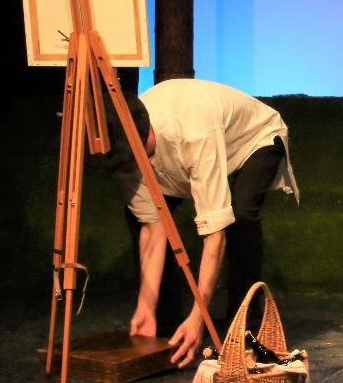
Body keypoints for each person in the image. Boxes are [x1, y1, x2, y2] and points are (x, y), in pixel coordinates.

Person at [93, 78, 297, 367]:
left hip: (254, 139)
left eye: (127, 160)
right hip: (180, 162)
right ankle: (163, 325)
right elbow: (153, 226)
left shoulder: (194, 130)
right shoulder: (124, 153)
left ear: (142, 137)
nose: (125, 168)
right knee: (138, 217)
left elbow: (215, 234)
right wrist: (145, 306)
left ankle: (245, 327)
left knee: (240, 216)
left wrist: (198, 317)